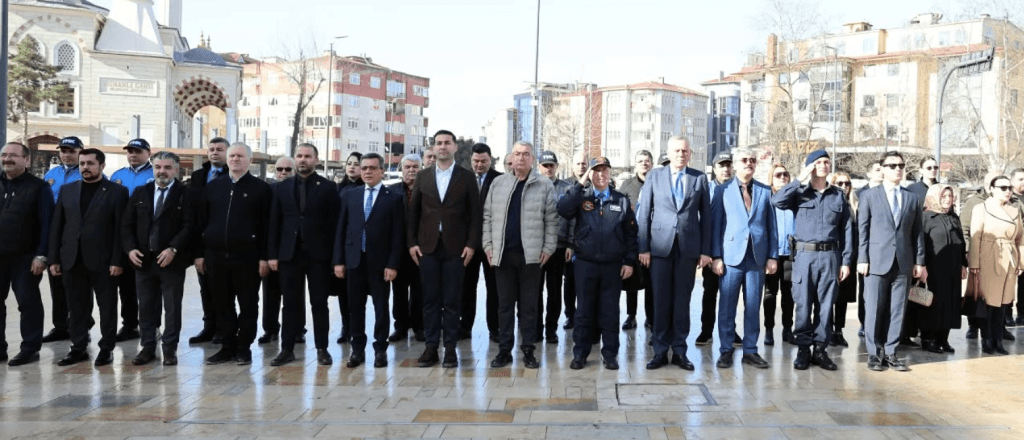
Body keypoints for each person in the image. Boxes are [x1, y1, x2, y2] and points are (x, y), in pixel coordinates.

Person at [771, 149, 852, 371]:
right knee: (803, 305)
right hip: (804, 256)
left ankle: (820, 350)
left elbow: (846, 230)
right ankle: (803, 350)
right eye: (818, 162)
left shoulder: (838, 195)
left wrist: (846, 261)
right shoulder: (799, 193)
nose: (824, 165)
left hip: (830, 256)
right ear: (810, 167)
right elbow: (777, 201)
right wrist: (799, 179)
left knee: (825, 306)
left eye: (826, 162)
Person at [636, 136, 712, 371]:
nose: (681, 154)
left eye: (685, 151)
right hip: (659, 248)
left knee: (682, 302)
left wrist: (705, 251)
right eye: (677, 150)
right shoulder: (655, 176)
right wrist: (643, 248)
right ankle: (660, 351)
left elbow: (706, 217)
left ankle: (679, 350)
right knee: (660, 301)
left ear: (690, 154)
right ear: (669, 153)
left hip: (687, 250)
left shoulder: (699, 178)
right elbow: (644, 213)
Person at [48, 148, 129, 366]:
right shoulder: (67, 190)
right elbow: (57, 226)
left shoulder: (117, 192)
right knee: (76, 308)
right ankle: (78, 348)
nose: (85, 167)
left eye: (90, 163)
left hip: (104, 261)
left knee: (107, 307)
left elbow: (120, 230)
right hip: (72, 259)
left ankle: (106, 349)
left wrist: (117, 260)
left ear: (102, 166)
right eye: (82, 163)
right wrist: (54, 259)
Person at [407, 130, 481, 368]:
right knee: (429, 300)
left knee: (451, 301)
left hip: (456, 249)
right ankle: (431, 348)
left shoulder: (466, 177)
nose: (442, 147)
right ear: (434, 147)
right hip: (427, 248)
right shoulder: (423, 176)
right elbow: (413, 213)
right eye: (438, 143)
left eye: (447, 143)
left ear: (454, 147)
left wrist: (471, 244)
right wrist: (412, 243)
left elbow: (475, 215)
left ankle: (449, 349)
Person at [195, 142, 272, 365]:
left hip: (248, 258)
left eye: (240, 156)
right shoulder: (213, 187)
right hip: (216, 257)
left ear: (250, 160)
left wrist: (264, 257)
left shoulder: (261, 189)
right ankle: (227, 346)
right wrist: (199, 254)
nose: (235, 159)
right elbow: (201, 222)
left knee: (248, 304)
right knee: (222, 303)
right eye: (232, 156)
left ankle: (243, 347)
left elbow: (267, 227)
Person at [558, 156, 638, 370]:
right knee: (583, 312)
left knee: (610, 312)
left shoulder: (621, 200)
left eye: (604, 170)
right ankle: (580, 353)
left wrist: (629, 261)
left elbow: (631, 234)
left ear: (610, 173)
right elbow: (563, 209)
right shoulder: (581, 196)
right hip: (586, 264)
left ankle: (610, 354)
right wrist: (581, 183)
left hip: (612, 266)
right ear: (590, 174)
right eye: (596, 170)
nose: (601, 174)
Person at [483, 142, 558, 368]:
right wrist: (488, 245)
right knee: (504, 306)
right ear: (511, 158)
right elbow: (487, 217)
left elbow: (552, 220)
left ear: (532, 159)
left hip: (531, 257)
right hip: (503, 256)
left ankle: (528, 350)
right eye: (517, 154)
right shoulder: (498, 183)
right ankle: (504, 350)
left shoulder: (544, 185)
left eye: (526, 154)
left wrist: (549, 248)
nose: (521, 158)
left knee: (529, 307)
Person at [267, 145, 339, 366]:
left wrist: (335, 258)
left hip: (318, 255)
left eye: (307, 156)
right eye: (299, 156)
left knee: (319, 303)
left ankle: (322, 349)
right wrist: (272, 254)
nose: (303, 160)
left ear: (316, 159)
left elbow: (334, 225)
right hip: (290, 255)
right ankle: (287, 349)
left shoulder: (328, 187)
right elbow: (274, 223)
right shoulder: (282, 187)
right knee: (290, 304)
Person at [121, 151, 194, 366]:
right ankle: (148, 347)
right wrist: (130, 249)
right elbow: (126, 225)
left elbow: (190, 226)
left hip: (171, 261)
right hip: (144, 260)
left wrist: (173, 248)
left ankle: (169, 349)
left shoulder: (186, 194)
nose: (162, 171)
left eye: (167, 168)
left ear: (176, 170)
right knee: (145, 306)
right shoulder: (141, 192)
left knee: (172, 307)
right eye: (158, 167)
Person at [858, 151, 926, 372]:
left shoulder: (911, 198)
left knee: (897, 310)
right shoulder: (869, 196)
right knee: (874, 309)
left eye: (901, 165)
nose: (898, 169)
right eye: (892, 165)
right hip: (876, 261)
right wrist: (862, 258)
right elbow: (863, 230)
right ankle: (874, 353)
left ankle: (891, 352)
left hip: (903, 261)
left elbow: (917, 232)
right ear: (882, 169)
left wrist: (919, 261)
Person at [335, 152, 404, 368]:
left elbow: (398, 235)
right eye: (364, 168)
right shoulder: (350, 195)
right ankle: (357, 350)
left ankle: (380, 349)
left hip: (380, 264)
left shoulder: (393, 198)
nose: (367, 172)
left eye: (372, 168)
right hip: (354, 261)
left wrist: (392, 264)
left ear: (382, 171)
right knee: (355, 308)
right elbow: (341, 230)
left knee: (381, 308)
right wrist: (339, 261)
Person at [710, 148, 777, 369]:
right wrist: (716, 256)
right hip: (731, 257)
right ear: (736, 164)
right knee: (727, 306)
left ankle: (750, 350)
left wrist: (772, 256)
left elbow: (772, 226)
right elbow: (716, 225)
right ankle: (726, 349)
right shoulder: (723, 190)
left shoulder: (765, 191)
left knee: (753, 306)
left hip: (757, 257)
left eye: (752, 160)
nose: (749, 163)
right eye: (744, 160)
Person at [0, 142, 53, 366]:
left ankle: (30, 349)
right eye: (4, 155)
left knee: (28, 303)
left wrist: (42, 255)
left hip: (26, 257)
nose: (7, 159)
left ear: (26, 160)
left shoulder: (39, 187)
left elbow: (47, 224)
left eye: (13, 155)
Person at [968, 175, 1024, 355]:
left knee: (1004, 302)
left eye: (1009, 188)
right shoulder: (981, 208)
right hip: (988, 256)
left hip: (1009, 257)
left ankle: (998, 340)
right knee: (988, 301)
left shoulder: (1015, 209)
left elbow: (1020, 238)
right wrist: (974, 263)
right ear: (991, 189)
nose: (1007, 191)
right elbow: (975, 236)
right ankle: (987, 340)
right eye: (1002, 188)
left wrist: (1021, 261)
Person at [41, 136, 85, 344]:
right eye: (63, 151)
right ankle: (60, 326)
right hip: (54, 233)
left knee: (77, 284)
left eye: (71, 151)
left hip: (75, 234)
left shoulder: (86, 172)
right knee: (56, 280)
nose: (66, 155)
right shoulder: (51, 174)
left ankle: (82, 323)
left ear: (80, 152)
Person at [109, 138, 154, 343]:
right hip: (122, 236)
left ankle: (151, 325)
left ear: (148, 153)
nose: (133, 155)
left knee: (148, 287)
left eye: (137, 151)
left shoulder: (155, 174)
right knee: (125, 286)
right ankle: (129, 325)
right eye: (130, 152)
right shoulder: (117, 176)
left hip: (145, 236)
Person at [187, 137, 229, 344]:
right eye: (211, 149)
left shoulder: (232, 174)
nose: (214, 152)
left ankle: (224, 328)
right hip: (203, 239)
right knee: (206, 288)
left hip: (225, 240)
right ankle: (209, 327)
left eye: (219, 149)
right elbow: (194, 213)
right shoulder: (198, 176)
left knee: (224, 289)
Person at [917, 184, 967, 354]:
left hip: (952, 269)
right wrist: (921, 265)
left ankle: (943, 339)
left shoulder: (954, 217)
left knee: (951, 304)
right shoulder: (926, 217)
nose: (947, 200)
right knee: (933, 303)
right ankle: (928, 338)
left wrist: (963, 264)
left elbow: (961, 242)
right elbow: (920, 243)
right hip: (933, 269)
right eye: (943, 196)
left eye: (950, 196)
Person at [697, 151, 739, 347]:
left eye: (728, 165)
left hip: (733, 252)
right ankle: (706, 331)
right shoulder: (706, 190)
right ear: (714, 169)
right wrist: (707, 253)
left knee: (730, 295)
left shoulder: (738, 190)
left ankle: (731, 331)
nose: (726, 169)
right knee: (710, 293)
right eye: (721, 165)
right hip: (711, 252)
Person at [463, 143, 501, 341]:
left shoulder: (500, 180)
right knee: (466, 288)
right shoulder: (463, 178)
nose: (479, 165)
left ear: (490, 159)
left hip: (491, 244)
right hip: (467, 244)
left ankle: (495, 329)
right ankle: (465, 327)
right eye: (476, 161)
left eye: (483, 161)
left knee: (494, 289)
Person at [259, 157, 299, 345]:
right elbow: (265, 225)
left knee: (295, 295)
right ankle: (270, 329)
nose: (283, 173)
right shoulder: (268, 191)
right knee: (270, 293)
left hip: (294, 252)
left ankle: (297, 330)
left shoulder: (300, 190)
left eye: (288, 169)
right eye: (279, 169)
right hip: (272, 250)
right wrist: (266, 255)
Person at [389, 154, 424, 342]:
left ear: (421, 169)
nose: (411, 170)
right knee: (399, 292)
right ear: (401, 170)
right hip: (399, 250)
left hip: (422, 250)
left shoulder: (427, 190)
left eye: (415, 167)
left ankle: (419, 327)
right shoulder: (392, 191)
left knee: (420, 291)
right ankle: (400, 327)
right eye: (407, 167)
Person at [535, 150, 570, 342]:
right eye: (545, 165)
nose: (548, 169)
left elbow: (572, 218)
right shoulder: (532, 186)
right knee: (535, 290)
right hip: (536, 247)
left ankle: (551, 329)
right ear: (539, 166)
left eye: (551, 165)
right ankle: (536, 328)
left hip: (558, 246)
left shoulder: (566, 188)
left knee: (555, 291)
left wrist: (571, 244)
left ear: (557, 166)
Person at [618, 150, 654, 331]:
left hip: (654, 241)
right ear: (635, 164)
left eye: (647, 161)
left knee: (651, 282)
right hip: (632, 240)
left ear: (652, 163)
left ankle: (650, 317)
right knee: (631, 281)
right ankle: (631, 316)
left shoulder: (657, 183)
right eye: (640, 161)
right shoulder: (627, 185)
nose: (644, 164)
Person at [333, 151, 364, 344]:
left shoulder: (366, 188)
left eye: (356, 163)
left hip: (361, 247)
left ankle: (357, 327)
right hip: (342, 247)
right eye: (349, 163)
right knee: (342, 291)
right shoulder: (336, 189)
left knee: (358, 292)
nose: (352, 166)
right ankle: (346, 326)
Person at [763, 163, 794, 346]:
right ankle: (769, 329)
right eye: (778, 175)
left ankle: (787, 329)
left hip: (791, 254)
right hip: (772, 254)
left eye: (785, 174)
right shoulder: (767, 199)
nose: (783, 177)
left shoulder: (794, 198)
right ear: (771, 179)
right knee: (770, 294)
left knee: (789, 294)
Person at [828, 172, 858, 348]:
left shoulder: (854, 205)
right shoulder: (829, 202)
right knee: (829, 296)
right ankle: (827, 330)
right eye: (840, 183)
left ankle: (838, 331)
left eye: (847, 183)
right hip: (831, 255)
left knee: (843, 297)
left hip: (849, 256)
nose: (844, 187)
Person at [562, 151, 589, 329]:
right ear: (572, 166)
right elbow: (565, 218)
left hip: (589, 243)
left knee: (586, 282)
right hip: (571, 244)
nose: (581, 167)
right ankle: (570, 315)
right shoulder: (566, 186)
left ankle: (585, 315)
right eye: (578, 163)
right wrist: (569, 244)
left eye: (584, 163)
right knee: (570, 282)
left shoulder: (594, 184)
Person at [1008, 168, 1024, 327]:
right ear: (1012, 181)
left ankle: (1022, 314)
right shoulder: (1008, 197)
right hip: (1011, 244)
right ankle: (1007, 314)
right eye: (1020, 179)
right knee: (1009, 280)